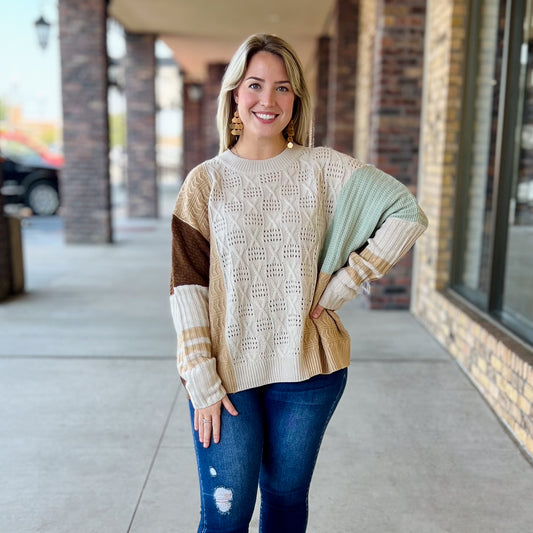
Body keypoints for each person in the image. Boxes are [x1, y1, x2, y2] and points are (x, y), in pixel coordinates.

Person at [170, 33, 428, 533]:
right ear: (234, 97)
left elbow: (406, 212)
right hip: (226, 377)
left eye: (283, 88)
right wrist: (199, 376)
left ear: (297, 99)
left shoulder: (323, 168)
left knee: (286, 502)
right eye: (255, 85)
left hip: (308, 369)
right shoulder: (205, 182)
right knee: (225, 515)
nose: (269, 100)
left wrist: (349, 281)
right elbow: (188, 288)